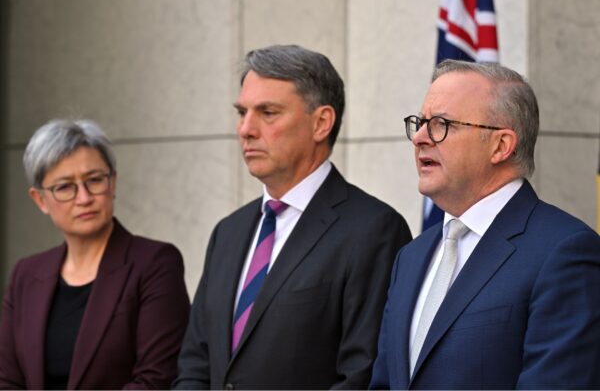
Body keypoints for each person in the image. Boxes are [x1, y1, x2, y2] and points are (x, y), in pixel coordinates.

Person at [173, 44, 412, 390]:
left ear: (321, 123)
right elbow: (195, 364)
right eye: (242, 112)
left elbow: (362, 376)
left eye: (268, 112)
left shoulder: (374, 231)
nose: (246, 129)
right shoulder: (228, 233)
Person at [370, 59, 600, 389]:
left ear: (501, 145)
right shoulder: (411, 257)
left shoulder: (565, 253)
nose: (419, 137)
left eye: (441, 124)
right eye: (419, 122)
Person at [0, 119, 190, 389]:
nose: (84, 198)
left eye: (94, 180)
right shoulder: (26, 274)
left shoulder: (155, 264)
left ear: (112, 182)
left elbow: (155, 379)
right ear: (40, 200)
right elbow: (7, 381)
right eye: (65, 187)